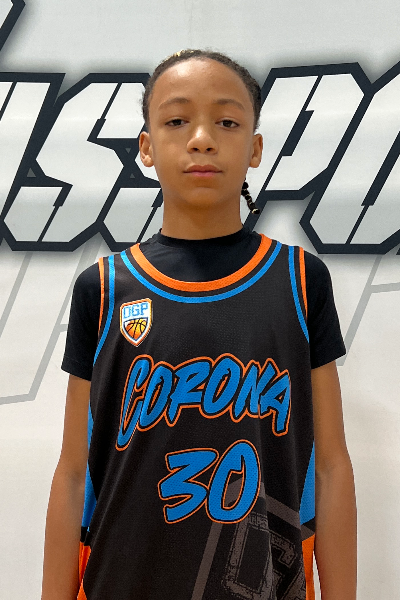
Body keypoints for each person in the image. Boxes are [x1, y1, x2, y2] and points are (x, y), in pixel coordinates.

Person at [41, 49, 357, 600]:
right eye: (177, 120)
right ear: (146, 147)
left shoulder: (300, 280)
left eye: (227, 122)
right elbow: (74, 473)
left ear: (255, 148)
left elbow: (329, 466)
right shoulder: (105, 288)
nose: (202, 139)